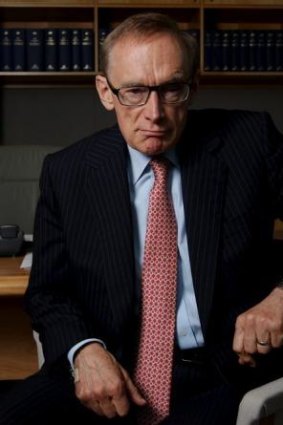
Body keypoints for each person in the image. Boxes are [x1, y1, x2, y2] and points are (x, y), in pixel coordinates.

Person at [0, 12, 283, 425]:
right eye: (133, 91)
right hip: (109, 363)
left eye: (171, 89)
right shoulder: (68, 171)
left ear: (193, 87)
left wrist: (280, 299)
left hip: (222, 372)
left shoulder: (249, 141)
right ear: (105, 91)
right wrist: (85, 352)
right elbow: (49, 293)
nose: (154, 112)